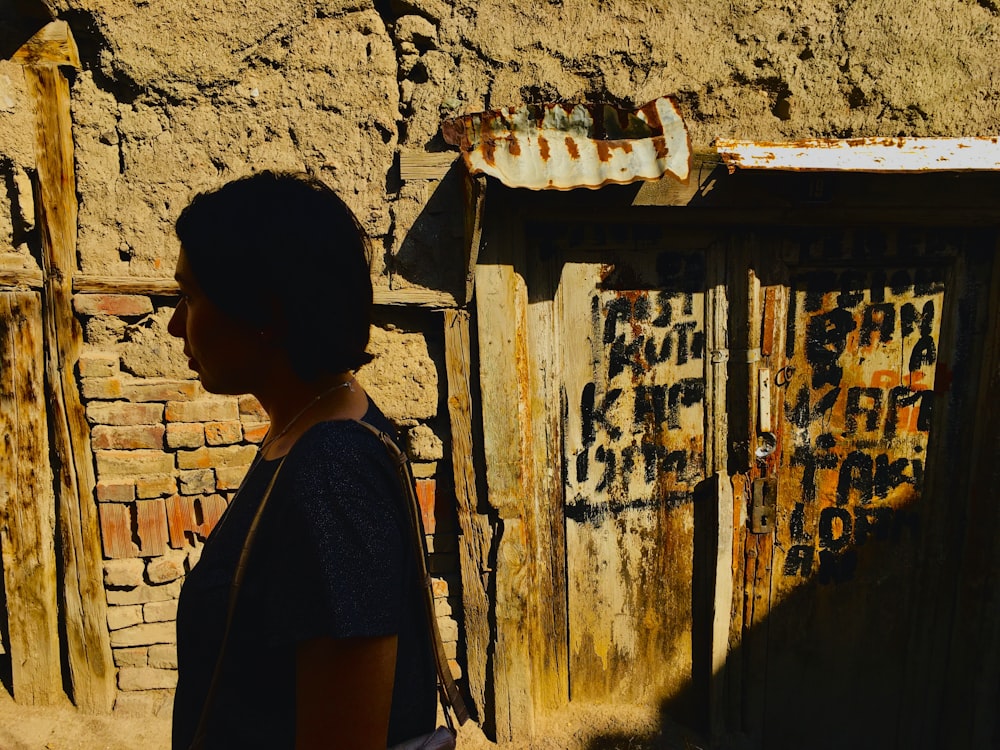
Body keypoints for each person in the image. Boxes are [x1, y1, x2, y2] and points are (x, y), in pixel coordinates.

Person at [167, 170, 437, 750]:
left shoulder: (331, 473)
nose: (172, 325)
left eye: (189, 298)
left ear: (262, 313)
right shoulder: (303, 435)